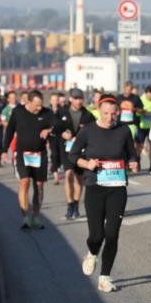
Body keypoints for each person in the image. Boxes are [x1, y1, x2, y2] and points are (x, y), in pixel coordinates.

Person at [70, 96, 138, 292]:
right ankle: (91, 254)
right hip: (95, 186)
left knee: (112, 234)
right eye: (106, 113)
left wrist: (133, 162)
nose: (110, 117)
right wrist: (86, 163)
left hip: (117, 188)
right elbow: (73, 155)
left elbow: (131, 153)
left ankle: (105, 277)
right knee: (96, 235)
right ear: (99, 111)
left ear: (118, 113)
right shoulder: (88, 130)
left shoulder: (124, 130)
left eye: (113, 113)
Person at [2, 89, 53, 230]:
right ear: (28, 102)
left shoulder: (46, 113)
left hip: (39, 154)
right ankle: (25, 217)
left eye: (41, 105)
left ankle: (35, 217)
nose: (39, 108)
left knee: (39, 186)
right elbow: (10, 130)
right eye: (36, 105)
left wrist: (48, 130)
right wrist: (3, 150)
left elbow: (58, 126)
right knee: (24, 182)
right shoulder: (18, 112)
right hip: (22, 154)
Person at [54, 88, 94, 219]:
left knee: (79, 178)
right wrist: (62, 134)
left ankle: (76, 204)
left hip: (81, 151)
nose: (78, 101)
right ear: (70, 99)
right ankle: (70, 204)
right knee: (68, 174)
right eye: (76, 98)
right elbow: (54, 126)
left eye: (80, 98)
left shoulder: (87, 115)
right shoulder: (61, 112)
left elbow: (94, 131)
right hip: (66, 149)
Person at [47, 90, 66, 184]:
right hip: (51, 136)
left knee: (62, 156)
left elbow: (66, 123)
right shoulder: (47, 111)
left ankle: (55, 168)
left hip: (62, 136)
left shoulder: (63, 110)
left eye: (56, 100)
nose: (55, 101)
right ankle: (56, 176)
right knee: (54, 155)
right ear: (50, 101)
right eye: (53, 100)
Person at [139, 86, 151, 172]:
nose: (150, 96)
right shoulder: (141, 99)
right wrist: (142, 112)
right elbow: (136, 111)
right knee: (139, 146)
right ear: (146, 93)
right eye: (149, 94)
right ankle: (138, 162)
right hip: (142, 126)